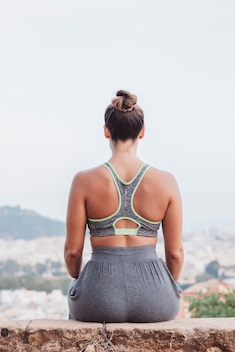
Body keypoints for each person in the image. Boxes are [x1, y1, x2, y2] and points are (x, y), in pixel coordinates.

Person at [64, 89, 184, 323]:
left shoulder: (83, 181)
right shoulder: (166, 181)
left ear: (106, 131)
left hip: (98, 297)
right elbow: (175, 253)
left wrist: (80, 279)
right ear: (142, 132)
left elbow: (73, 252)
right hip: (155, 299)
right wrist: (168, 284)